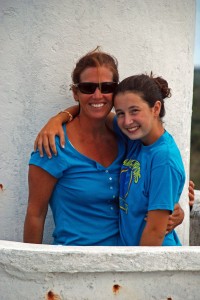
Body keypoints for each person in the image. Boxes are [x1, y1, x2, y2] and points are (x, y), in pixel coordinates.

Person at [24, 48, 192, 246]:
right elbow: (35, 215)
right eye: (88, 87)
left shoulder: (126, 135)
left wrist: (177, 206)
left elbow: (159, 171)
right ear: (75, 93)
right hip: (76, 262)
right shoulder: (53, 145)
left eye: (107, 87)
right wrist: (58, 118)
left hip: (126, 262)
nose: (98, 95)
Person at [113, 73, 185, 246]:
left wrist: (136, 272)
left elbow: (155, 231)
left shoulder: (163, 158)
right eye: (120, 113)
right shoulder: (137, 140)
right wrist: (59, 119)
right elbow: (94, 115)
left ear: (156, 108)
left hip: (149, 259)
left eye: (135, 111)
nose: (127, 121)